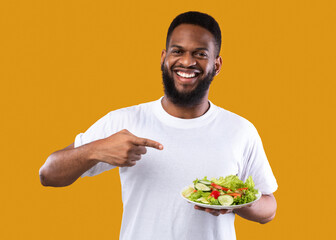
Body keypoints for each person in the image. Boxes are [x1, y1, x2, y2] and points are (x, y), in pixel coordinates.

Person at [39, 11, 277, 240]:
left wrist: (237, 201)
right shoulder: (125, 121)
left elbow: (269, 209)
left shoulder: (240, 130)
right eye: (178, 51)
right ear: (164, 58)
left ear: (217, 64)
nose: (187, 61)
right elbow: (48, 174)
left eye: (200, 54)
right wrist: (95, 150)